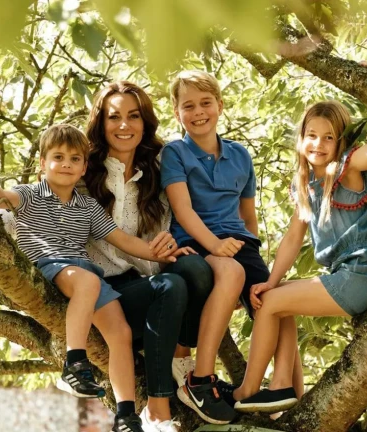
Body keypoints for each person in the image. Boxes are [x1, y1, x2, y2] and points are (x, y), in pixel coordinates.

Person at [0, 124, 187, 432]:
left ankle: (125, 415)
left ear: (85, 167)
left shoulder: (87, 207)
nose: (66, 164)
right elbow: (3, 199)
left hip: (84, 274)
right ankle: (74, 363)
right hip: (51, 266)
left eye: (75, 159)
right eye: (57, 157)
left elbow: (124, 241)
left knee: (121, 334)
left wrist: (165, 254)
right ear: (42, 163)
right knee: (88, 281)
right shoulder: (29, 194)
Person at [231, 63, 367, 413]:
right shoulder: (305, 184)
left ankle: (246, 391)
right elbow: (292, 239)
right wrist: (270, 281)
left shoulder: (346, 170)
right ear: (301, 139)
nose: (318, 144)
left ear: (341, 142)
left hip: (360, 275)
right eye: (312, 135)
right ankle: (284, 390)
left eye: (328, 137)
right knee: (276, 298)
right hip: (342, 276)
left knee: (272, 305)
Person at [160, 70, 302, 425]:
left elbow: (247, 216)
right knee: (233, 272)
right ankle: (200, 378)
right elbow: (183, 210)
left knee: (277, 299)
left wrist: (256, 259)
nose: (198, 112)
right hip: (195, 240)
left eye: (205, 103)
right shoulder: (175, 153)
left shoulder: (240, 155)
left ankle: (284, 388)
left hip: (239, 243)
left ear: (220, 106)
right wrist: (215, 245)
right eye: (188, 106)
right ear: (177, 113)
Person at [83, 81, 215, 432]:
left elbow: (193, 207)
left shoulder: (159, 166)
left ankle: (180, 362)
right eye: (114, 117)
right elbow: (40, 205)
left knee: (196, 269)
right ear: (101, 123)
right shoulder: (83, 171)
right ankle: (157, 410)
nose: (124, 125)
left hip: (151, 287)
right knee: (168, 286)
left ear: (145, 123)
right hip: (106, 292)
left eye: (133, 116)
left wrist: (169, 248)